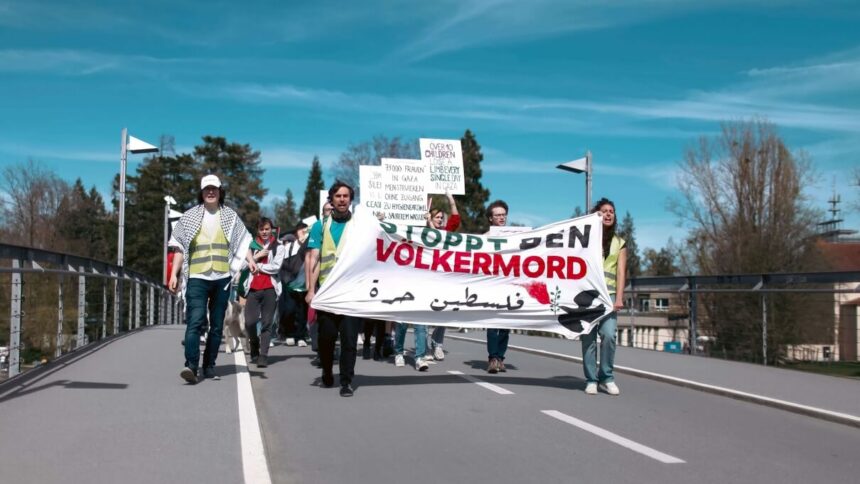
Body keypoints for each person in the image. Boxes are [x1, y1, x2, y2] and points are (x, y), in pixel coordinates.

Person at [169, 174, 255, 384]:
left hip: (221, 278)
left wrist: (251, 261)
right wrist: (174, 274)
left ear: (219, 191)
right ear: (201, 192)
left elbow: (243, 243)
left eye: (214, 189)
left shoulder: (230, 217)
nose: (210, 192)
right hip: (197, 277)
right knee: (195, 322)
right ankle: (191, 365)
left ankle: (209, 366)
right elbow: (180, 248)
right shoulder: (189, 217)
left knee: (217, 325)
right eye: (206, 189)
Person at [305, 181, 362, 397]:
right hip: (327, 292)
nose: (342, 199)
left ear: (350, 199)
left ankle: (346, 381)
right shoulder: (321, 225)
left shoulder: (358, 226)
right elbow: (313, 257)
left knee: (349, 340)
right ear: (331, 199)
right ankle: (328, 371)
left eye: (346, 196)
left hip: (350, 292)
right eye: (338, 196)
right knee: (326, 339)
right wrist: (311, 290)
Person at [581, 197, 627, 396]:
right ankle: (591, 379)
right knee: (588, 338)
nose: (608, 214)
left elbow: (621, 272)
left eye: (611, 211)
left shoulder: (620, 242)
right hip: (588, 295)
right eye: (604, 211)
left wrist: (619, 298)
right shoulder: (586, 239)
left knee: (608, 335)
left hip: (609, 297)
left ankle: (606, 376)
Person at [242, 217, 285, 368]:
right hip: (253, 289)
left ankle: (263, 355)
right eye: (262, 229)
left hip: (270, 289)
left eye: (267, 229)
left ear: (271, 229)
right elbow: (242, 265)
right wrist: (256, 257)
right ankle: (254, 343)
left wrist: (257, 266)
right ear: (258, 230)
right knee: (249, 322)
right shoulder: (250, 245)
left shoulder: (278, 246)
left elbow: (276, 267)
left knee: (267, 323)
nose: (265, 232)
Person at [426, 191, 461, 361]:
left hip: (446, 279)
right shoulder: (423, 234)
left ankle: (437, 343)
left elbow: (456, 218)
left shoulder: (448, 232)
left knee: (445, 313)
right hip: (428, 278)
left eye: (441, 217)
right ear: (430, 219)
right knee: (425, 313)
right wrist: (427, 223)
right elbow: (434, 239)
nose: (440, 219)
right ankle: (423, 346)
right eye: (436, 217)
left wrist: (450, 198)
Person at [485, 199, 510, 374]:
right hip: (491, 285)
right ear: (490, 219)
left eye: (503, 215)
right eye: (497, 215)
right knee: (493, 323)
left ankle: (501, 358)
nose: (501, 217)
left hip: (509, 285)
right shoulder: (485, 238)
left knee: (506, 324)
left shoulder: (515, 237)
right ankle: (493, 358)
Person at [279, 222, 310, 347]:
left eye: (305, 230)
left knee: (303, 310)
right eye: (300, 230)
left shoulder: (311, 246)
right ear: (296, 232)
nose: (302, 233)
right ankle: (289, 333)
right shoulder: (290, 247)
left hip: (305, 283)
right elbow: (283, 263)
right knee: (289, 309)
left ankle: (301, 335)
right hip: (290, 282)